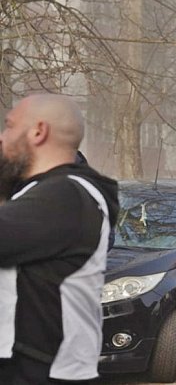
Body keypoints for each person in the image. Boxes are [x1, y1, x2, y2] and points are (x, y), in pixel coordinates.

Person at [0, 94, 119, 384]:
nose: (2, 137)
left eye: (9, 126)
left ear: (38, 131)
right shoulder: (36, 194)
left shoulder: (66, 195)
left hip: (46, 372)